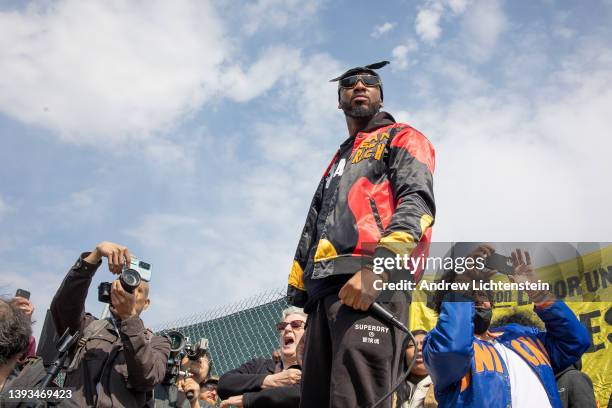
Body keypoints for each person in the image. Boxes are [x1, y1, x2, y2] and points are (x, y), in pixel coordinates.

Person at [286, 61, 436, 408]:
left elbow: (417, 203)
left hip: (372, 280)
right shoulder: (339, 157)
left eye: (369, 82)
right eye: (349, 82)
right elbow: (314, 226)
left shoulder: (402, 136)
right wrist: (304, 297)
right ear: (339, 100)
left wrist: (380, 270)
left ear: (380, 96)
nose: (359, 86)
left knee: (357, 397)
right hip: (326, 294)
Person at [423, 248, 592, 408]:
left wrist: (537, 292)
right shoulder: (435, 345)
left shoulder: (523, 336)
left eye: (482, 294)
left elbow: (576, 341)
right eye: (469, 296)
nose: (480, 301)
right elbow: (454, 348)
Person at [51, 241, 170, 407]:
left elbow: (147, 378)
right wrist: (94, 257)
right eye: (126, 283)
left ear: (146, 303)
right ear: (113, 288)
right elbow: (63, 307)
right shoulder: (89, 327)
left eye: (139, 290)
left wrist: (129, 318)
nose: (131, 291)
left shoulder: (158, 343)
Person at [217, 307, 305, 407]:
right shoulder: (259, 365)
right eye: (282, 326)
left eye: (296, 325)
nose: (287, 329)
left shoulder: (316, 367)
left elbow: (302, 393)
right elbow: (224, 384)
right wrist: (270, 380)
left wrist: (249, 399)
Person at [396, 330, 436, 408]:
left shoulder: (445, 389)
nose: (419, 348)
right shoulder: (390, 388)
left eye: (425, 344)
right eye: (412, 345)